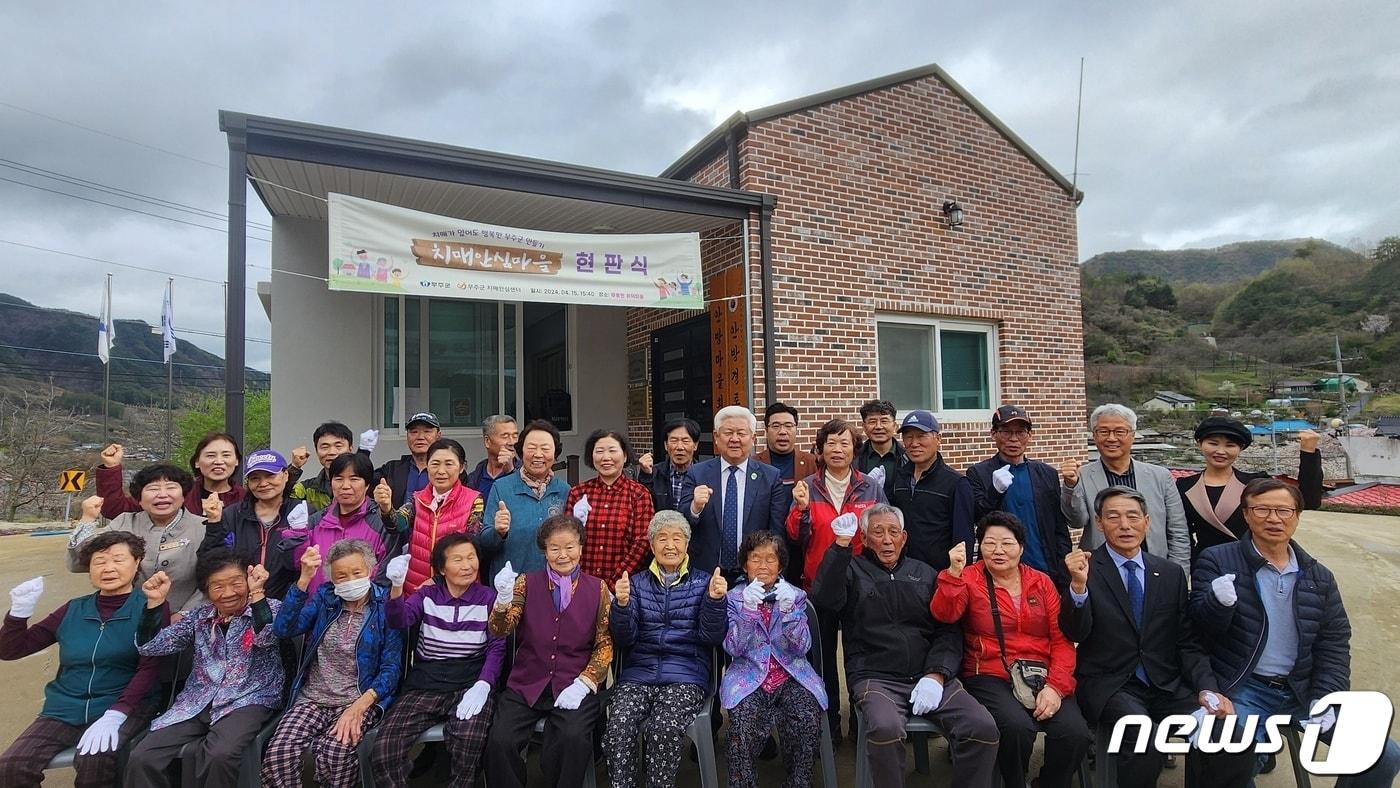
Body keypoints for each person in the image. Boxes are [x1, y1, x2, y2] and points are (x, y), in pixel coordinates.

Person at [1188, 478, 1400, 787]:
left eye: (1284, 511)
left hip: (1301, 691)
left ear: (1297, 516)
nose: (1274, 519)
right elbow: (1197, 630)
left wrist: (1324, 697)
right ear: (1246, 515)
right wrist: (1217, 603)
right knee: (1233, 756)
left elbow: (1334, 645)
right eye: (1262, 509)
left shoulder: (1318, 576)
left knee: (1383, 753)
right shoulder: (1217, 560)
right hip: (1244, 688)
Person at [810, 504, 1000, 785]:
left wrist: (937, 674)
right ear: (864, 538)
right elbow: (825, 598)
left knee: (982, 728)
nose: (886, 539)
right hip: (876, 678)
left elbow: (948, 630)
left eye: (893, 532)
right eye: (877, 532)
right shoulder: (851, 570)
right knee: (885, 729)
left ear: (904, 537)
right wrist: (840, 547)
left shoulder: (925, 573)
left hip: (929, 676)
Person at [1060, 487, 1230, 787]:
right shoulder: (1083, 570)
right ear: (1099, 523)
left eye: (1133, 516)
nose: (1125, 525)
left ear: (1147, 522)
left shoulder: (1169, 573)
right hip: (1110, 684)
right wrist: (1077, 588)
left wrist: (1206, 688)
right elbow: (1075, 632)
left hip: (1165, 684)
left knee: (1228, 736)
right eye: (1113, 517)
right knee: (1145, 740)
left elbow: (1186, 640)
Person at [932, 512, 1091, 788]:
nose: (998, 550)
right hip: (989, 672)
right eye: (989, 543)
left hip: (1041, 673)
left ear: (1021, 547)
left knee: (1074, 732)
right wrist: (953, 575)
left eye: (1007, 543)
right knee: (1016, 728)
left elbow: (1062, 639)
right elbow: (944, 614)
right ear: (979, 547)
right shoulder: (968, 578)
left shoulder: (1041, 582)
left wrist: (1056, 686)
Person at [0, 531, 163, 788]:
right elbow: (11, 650)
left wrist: (116, 714)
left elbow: (150, 667)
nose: (108, 568)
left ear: (137, 562)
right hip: (64, 707)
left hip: (123, 704)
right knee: (13, 766)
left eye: (118, 560)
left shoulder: (150, 607)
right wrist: (19, 613)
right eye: (99, 561)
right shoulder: (73, 609)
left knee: (95, 761)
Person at [126, 551, 284, 788]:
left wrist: (258, 593)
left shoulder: (269, 607)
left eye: (236, 583)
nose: (228, 592)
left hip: (249, 699)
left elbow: (267, 637)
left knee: (219, 754)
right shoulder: (199, 617)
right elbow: (150, 647)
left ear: (249, 580)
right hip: (197, 701)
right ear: (206, 591)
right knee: (142, 756)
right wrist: (155, 604)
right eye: (218, 586)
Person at [262, 538, 403, 788]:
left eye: (356, 572)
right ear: (332, 579)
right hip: (314, 697)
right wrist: (303, 580)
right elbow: (284, 629)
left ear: (371, 570)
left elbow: (391, 670)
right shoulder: (325, 599)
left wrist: (359, 707)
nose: (349, 580)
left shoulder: (385, 606)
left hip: (358, 698)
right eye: (341, 576)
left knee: (335, 751)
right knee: (279, 752)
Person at [484, 514, 613, 788]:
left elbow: (604, 643)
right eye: (555, 548)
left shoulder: (598, 588)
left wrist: (585, 682)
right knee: (500, 740)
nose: (563, 555)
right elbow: (500, 629)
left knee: (572, 738)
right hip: (526, 683)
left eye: (570, 547)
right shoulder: (525, 583)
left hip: (573, 683)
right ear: (544, 550)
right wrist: (503, 600)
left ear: (581, 547)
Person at [604, 510, 728, 788]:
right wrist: (621, 605)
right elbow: (625, 639)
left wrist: (715, 601)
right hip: (639, 674)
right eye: (662, 538)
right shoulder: (634, 584)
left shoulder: (703, 583)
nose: (669, 545)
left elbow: (712, 636)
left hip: (686, 675)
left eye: (677, 538)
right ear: (651, 545)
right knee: (619, 726)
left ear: (687, 544)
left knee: (664, 728)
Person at [372, 533, 505, 788]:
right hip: (426, 681)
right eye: (457, 560)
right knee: (385, 748)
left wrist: (484, 684)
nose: (467, 565)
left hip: (470, 681)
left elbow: (497, 647)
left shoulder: (489, 598)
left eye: (471, 557)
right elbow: (399, 621)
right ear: (442, 568)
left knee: (468, 742)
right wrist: (397, 587)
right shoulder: (426, 596)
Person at [786, 418, 885, 742]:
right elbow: (796, 536)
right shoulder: (808, 487)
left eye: (845, 443)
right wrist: (801, 510)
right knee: (822, 658)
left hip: (862, 584)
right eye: (831, 443)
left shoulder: (870, 486)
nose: (838, 449)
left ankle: (862, 727)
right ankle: (827, 726)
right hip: (820, 583)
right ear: (820, 449)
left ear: (855, 449)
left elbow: (882, 533)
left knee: (862, 655)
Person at [721, 530, 826, 788]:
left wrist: (789, 612)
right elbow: (733, 647)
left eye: (770, 559)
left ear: (781, 565)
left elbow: (802, 646)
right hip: (749, 675)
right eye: (755, 558)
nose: (763, 565)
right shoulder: (734, 599)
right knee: (741, 728)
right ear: (745, 564)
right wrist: (747, 611)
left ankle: (798, 783)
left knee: (807, 718)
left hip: (791, 674)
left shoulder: (795, 596)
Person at [1063, 404, 1190, 572]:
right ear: (1094, 436)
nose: (1111, 438)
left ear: (1133, 435)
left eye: (1120, 432)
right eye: (1104, 432)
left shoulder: (1160, 476)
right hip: (1101, 572)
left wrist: (1178, 573)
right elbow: (1076, 521)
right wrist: (1070, 486)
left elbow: (1178, 531)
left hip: (1155, 570)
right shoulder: (1082, 476)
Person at [69, 462, 212, 611]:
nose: (162, 494)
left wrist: (185, 616)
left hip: (187, 619)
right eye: (153, 489)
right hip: (127, 616)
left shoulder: (205, 527)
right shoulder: (124, 522)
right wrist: (87, 520)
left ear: (183, 496)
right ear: (139, 499)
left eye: (171, 487)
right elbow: (80, 562)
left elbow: (214, 578)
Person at [1177, 416, 1323, 561]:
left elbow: (1309, 500)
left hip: (1252, 562)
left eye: (1230, 445)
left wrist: (1308, 452)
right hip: (1207, 566)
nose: (1221, 451)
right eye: (1213, 443)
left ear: (1240, 449)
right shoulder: (1184, 486)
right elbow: (1180, 534)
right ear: (1199, 444)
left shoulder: (1255, 483)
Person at [678, 406, 791, 578]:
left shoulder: (770, 476)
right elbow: (682, 524)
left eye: (741, 433)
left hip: (753, 574)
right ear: (716, 437)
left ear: (753, 438)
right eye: (728, 432)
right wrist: (695, 507)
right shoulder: (697, 473)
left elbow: (777, 530)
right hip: (706, 572)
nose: (735, 439)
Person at [966, 405, 1072, 586]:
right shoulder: (978, 473)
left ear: (1029, 436)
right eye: (1006, 432)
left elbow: (1059, 528)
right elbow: (977, 518)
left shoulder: (1047, 474)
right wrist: (995, 492)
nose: (1013, 439)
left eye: (1021, 432)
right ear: (993, 434)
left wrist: (1063, 568)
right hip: (1001, 573)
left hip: (1045, 569)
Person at [281, 452, 398, 595]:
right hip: (318, 610)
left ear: (367, 485)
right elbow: (294, 565)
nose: (345, 486)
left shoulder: (382, 524)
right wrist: (297, 534)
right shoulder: (315, 521)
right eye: (338, 479)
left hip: (364, 611)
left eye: (354, 479)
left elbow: (385, 577)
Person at [379, 438, 484, 594]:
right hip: (416, 587)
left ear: (461, 467)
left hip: (458, 588)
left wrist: (438, 580)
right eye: (435, 464)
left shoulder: (474, 500)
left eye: (449, 464)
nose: (441, 471)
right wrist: (387, 508)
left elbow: (471, 544)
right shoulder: (417, 498)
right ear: (427, 466)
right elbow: (398, 525)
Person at [199, 448, 301, 599]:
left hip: (288, 605)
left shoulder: (301, 512)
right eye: (255, 478)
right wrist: (214, 522)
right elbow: (209, 561)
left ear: (285, 475)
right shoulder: (232, 514)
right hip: (239, 604)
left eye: (270, 475)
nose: (263, 483)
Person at [476, 419, 572, 576]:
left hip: (555, 586)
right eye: (532, 448)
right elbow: (484, 543)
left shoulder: (564, 490)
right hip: (511, 589)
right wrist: (498, 532)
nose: (538, 454)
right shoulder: (502, 488)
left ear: (555, 455)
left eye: (545, 449)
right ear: (520, 452)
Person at [885, 410, 974, 571]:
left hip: (939, 575)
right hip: (902, 573)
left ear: (938, 439)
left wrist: (958, 576)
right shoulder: (898, 478)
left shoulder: (955, 483)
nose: (914, 443)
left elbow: (963, 539)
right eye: (908, 436)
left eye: (921, 436)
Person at [567, 429, 655, 587]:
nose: (606, 457)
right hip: (581, 584)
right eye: (599, 451)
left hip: (624, 587)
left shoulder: (639, 494)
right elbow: (567, 539)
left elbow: (642, 542)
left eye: (612, 451)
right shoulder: (578, 493)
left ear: (625, 455)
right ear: (591, 456)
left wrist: (615, 583)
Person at [95, 433, 245, 520]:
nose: (219, 462)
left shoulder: (247, 499)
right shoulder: (177, 492)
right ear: (197, 462)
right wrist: (111, 468)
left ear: (237, 461)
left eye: (226, 455)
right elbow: (114, 510)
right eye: (211, 455)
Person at [286, 421, 376, 513]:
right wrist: (295, 467)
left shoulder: (369, 484)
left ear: (350, 449)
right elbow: (278, 500)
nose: (332, 452)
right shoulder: (308, 488)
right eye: (325, 447)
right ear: (316, 451)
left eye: (338, 446)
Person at [375, 411, 443, 510]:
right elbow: (361, 479)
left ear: (438, 435)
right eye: (414, 432)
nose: (420, 437)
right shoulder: (391, 469)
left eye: (427, 431)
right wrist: (364, 451)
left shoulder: (448, 471)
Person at [637, 417, 702, 514]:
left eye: (685, 441)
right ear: (666, 445)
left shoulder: (704, 474)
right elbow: (644, 507)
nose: (679, 447)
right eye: (674, 440)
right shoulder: (654, 473)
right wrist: (646, 476)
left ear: (695, 445)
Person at [757, 402, 817, 487]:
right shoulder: (754, 464)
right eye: (776, 426)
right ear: (766, 430)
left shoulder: (811, 462)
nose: (782, 432)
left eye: (788, 426)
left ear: (796, 429)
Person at [465, 415, 521, 500]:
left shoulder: (525, 471)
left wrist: (510, 471)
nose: (512, 442)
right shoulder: (475, 478)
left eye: (515, 436)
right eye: (505, 436)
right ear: (487, 441)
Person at [853, 399, 905, 481]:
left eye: (884, 421)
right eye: (872, 422)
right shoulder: (853, 458)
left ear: (894, 426)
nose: (878, 427)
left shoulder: (908, 458)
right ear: (864, 427)